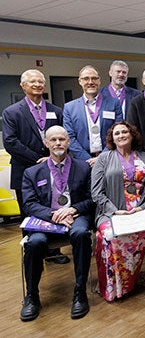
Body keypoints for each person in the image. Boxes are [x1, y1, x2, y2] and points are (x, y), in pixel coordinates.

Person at [19, 126, 93, 321]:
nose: (58, 143)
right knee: (35, 243)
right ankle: (32, 296)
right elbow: (29, 204)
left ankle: (80, 292)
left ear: (69, 142)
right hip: (46, 219)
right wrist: (55, 214)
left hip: (75, 216)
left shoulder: (84, 167)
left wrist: (72, 209)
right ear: (46, 143)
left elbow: (91, 198)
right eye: (53, 140)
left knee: (81, 234)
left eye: (62, 139)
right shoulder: (32, 172)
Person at [91, 122, 145, 301]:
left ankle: (129, 281)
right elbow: (96, 193)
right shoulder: (104, 159)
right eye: (117, 133)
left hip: (140, 212)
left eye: (125, 131)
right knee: (111, 235)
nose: (121, 135)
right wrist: (115, 211)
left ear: (132, 134)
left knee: (144, 232)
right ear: (112, 138)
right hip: (110, 214)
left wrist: (143, 207)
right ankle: (112, 287)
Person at [2, 69, 64, 224]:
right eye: (33, 81)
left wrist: (50, 159)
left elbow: (63, 138)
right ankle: (32, 247)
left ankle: (55, 248)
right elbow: (10, 142)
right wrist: (40, 160)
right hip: (24, 171)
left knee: (53, 211)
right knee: (28, 216)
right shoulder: (11, 112)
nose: (37, 84)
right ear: (23, 85)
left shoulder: (56, 111)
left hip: (54, 171)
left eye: (41, 82)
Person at [63, 65, 123, 167]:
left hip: (109, 158)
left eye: (94, 78)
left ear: (99, 81)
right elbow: (70, 137)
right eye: (86, 79)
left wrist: (102, 157)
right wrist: (87, 159)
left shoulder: (114, 103)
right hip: (82, 162)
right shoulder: (69, 107)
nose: (90, 82)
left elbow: (117, 132)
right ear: (80, 81)